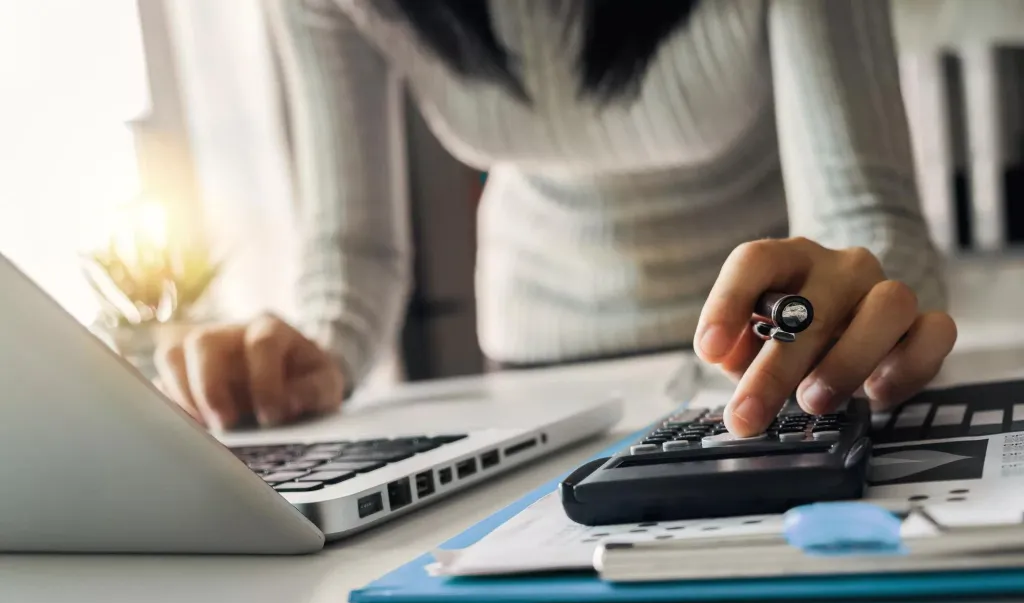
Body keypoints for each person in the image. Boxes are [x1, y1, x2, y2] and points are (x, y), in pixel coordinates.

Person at [154, 0, 957, 438]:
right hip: (531, 379)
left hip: (769, 362)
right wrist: (312, 353)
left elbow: (865, 217)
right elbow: (351, 252)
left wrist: (858, 309)